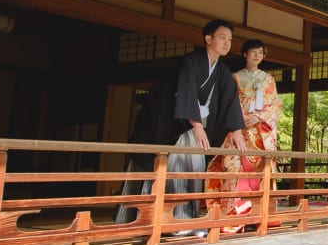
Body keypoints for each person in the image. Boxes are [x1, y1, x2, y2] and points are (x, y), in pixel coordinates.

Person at [116, 20, 247, 226]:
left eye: (230, 39)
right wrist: (196, 126)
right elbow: (186, 92)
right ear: (208, 39)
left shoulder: (222, 71)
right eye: (222, 37)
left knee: (194, 168)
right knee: (179, 167)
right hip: (172, 123)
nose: (227, 43)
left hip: (194, 124)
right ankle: (175, 220)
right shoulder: (191, 62)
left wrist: (237, 131)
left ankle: (186, 219)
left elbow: (230, 98)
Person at [205, 39, 281, 232]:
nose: (257, 55)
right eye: (253, 51)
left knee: (261, 173)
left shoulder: (269, 80)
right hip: (237, 131)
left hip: (260, 134)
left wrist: (258, 117)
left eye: (260, 52)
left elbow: (275, 105)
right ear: (245, 54)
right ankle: (233, 217)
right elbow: (227, 104)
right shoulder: (234, 77)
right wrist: (239, 119)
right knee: (232, 168)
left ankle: (260, 216)